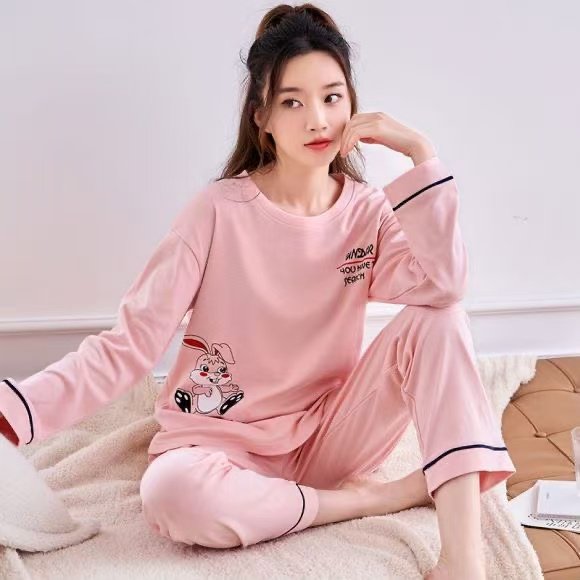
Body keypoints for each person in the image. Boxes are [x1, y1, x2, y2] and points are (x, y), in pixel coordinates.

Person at [0, 4, 516, 579]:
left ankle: (462, 563)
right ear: (261, 117)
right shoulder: (216, 212)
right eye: (292, 102)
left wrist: (422, 155)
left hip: (329, 439)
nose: (317, 119)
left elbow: (442, 286)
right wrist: (11, 411)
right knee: (169, 494)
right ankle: (374, 499)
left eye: (332, 97)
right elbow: (129, 346)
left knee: (441, 318)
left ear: (352, 103)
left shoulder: (367, 212)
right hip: (220, 446)